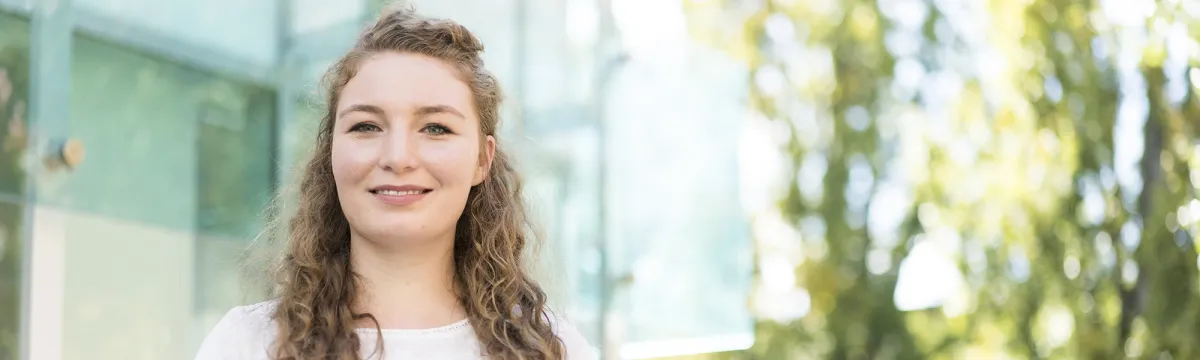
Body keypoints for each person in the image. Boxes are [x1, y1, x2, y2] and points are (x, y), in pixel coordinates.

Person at [194, 5, 594, 360]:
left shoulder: (554, 350)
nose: (398, 157)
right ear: (330, 153)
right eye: (366, 126)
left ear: (481, 160)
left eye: (436, 128)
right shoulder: (248, 344)